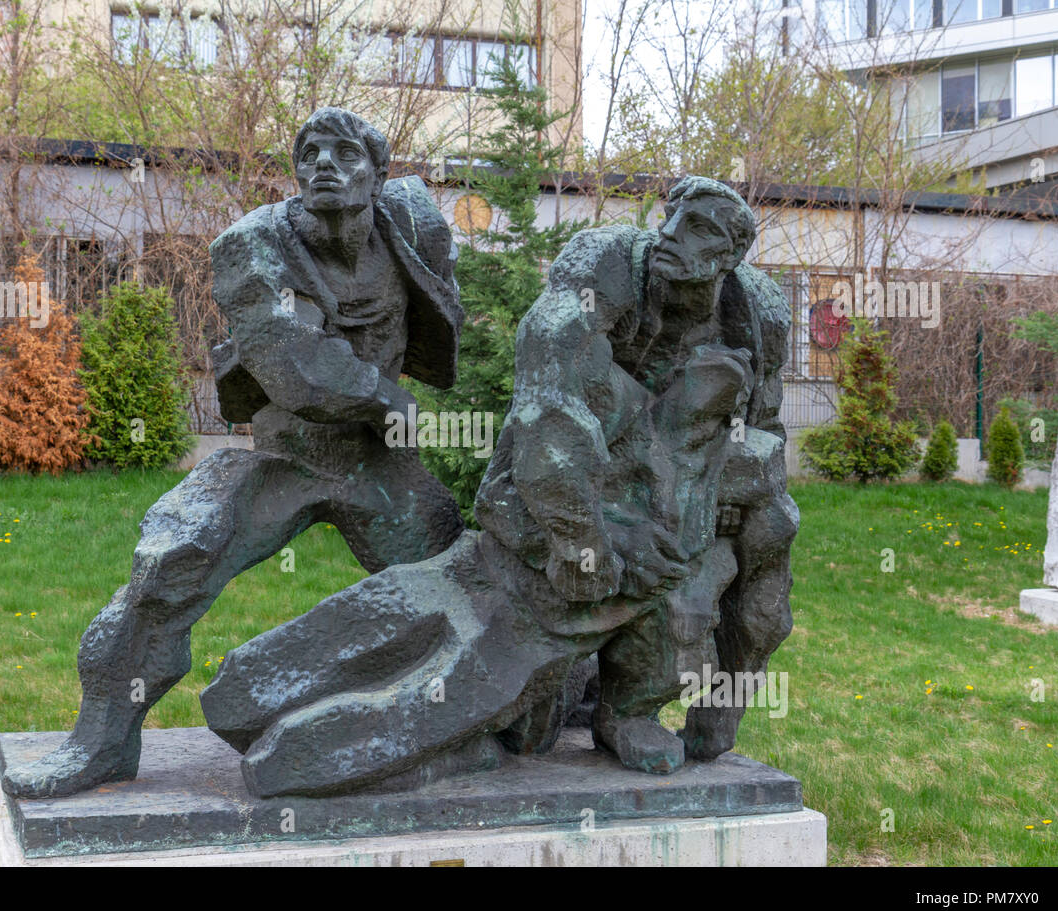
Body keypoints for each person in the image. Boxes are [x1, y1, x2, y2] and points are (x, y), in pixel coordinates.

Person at [201, 176, 798, 797]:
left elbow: (764, 432)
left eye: (699, 228)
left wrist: (711, 504)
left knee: (757, 546)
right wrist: (586, 544)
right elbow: (548, 414)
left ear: (729, 256)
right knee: (440, 621)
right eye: (672, 215)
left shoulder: (753, 319)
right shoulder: (604, 273)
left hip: (659, 514)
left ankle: (644, 710)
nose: (670, 233)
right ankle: (277, 709)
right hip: (551, 519)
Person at [2, 108, 466, 799]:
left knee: (463, 583)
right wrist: (384, 397)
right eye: (309, 153)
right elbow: (292, 364)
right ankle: (99, 743)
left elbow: (446, 297)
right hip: (285, 452)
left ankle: (494, 719)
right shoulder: (251, 244)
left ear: (378, 172)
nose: (324, 167)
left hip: (376, 462)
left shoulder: (413, 221)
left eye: (345, 154)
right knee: (166, 566)